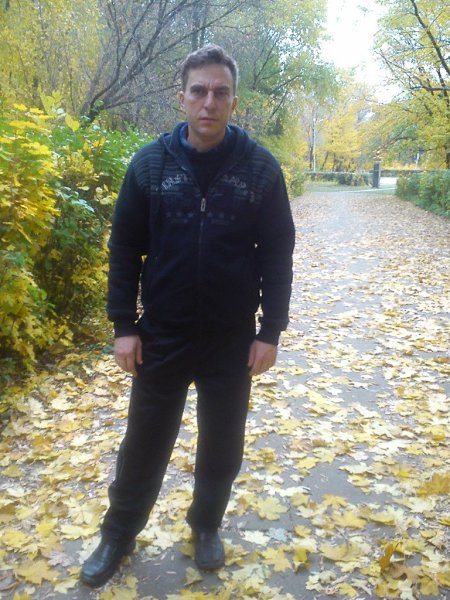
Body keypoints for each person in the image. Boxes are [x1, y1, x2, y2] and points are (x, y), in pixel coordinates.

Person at [80, 44, 295, 588]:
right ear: (182, 98)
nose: (209, 102)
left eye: (220, 92)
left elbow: (277, 253)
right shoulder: (150, 165)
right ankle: (118, 534)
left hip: (230, 339)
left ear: (234, 102)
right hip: (162, 335)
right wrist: (124, 326)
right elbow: (125, 249)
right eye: (199, 91)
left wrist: (270, 330)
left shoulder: (261, 169)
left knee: (222, 445)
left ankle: (205, 525)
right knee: (143, 445)